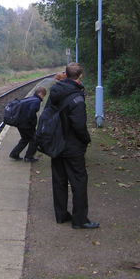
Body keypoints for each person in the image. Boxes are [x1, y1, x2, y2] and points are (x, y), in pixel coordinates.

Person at [47, 63, 99, 229]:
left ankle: (61, 215)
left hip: (56, 143)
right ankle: (80, 220)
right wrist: (86, 140)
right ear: (80, 76)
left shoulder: (56, 92)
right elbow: (79, 125)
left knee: (59, 180)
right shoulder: (77, 98)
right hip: (72, 146)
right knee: (79, 181)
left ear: (66, 74)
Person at [9, 87, 47, 163]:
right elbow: (31, 113)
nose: (43, 97)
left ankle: (14, 154)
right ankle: (29, 157)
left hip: (19, 123)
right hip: (26, 125)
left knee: (25, 139)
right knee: (35, 140)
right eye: (43, 95)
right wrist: (32, 124)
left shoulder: (30, 98)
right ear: (40, 94)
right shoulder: (36, 101)